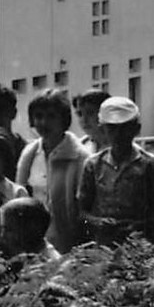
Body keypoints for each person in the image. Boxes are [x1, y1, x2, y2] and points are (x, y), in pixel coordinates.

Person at [77, 96, 154, 251]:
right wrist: (97, 222)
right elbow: (81, 212)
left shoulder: (150, 165)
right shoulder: (93, 165)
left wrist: (139, 225)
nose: (118, 134)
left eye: (125, 128)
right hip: (106, 249)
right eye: (112, 128)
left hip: (144, 249)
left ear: (136, 129)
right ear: (102, 129)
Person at [16, 88, 92, 253]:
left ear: (64, 119)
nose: (43, 123)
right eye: (39, 116)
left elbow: (85, 209)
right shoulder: (29, 154)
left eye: (51, 116)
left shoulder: (80, 157)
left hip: (69, 245)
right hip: (35, 244)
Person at [0, 198, 59, 262]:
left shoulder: (49, 265)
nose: (2, 235)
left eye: (9, 230)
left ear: (30, 229)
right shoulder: (22, 259)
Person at [74, 88, 110, 154]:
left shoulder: (122, 144)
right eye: (79, 114)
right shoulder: (79, 147)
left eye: (90, 113)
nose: (84, 120)